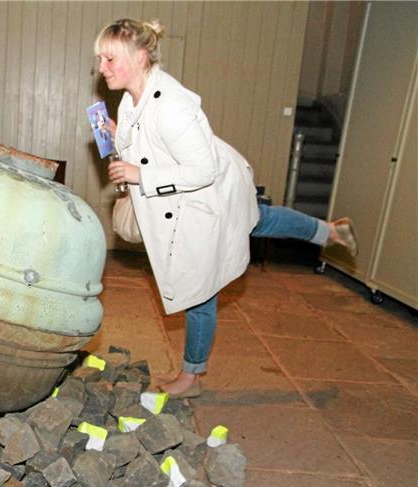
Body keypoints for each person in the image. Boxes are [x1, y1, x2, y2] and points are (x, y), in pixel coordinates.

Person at [94, 18, 358, 398]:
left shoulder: (173, 105)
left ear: (139, 57)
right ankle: (330, 231)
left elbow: (203, 170)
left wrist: (140, 174)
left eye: (109, 58)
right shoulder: (132, 97)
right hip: (189, 200)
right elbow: (148, 149)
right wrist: (120, 136)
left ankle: (191, 377)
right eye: (101, 59)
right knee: (259, 220)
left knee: (200, 289)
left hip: (208, 198)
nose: (102, 68)